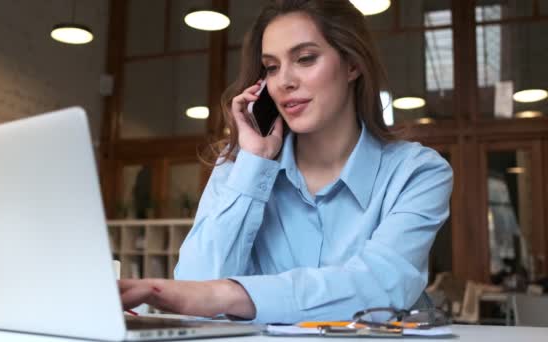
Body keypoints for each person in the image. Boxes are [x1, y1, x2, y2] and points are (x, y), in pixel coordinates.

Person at [119, 0, 453, 324]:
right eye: (271, 67)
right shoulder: (240, 168)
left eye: (305, 58)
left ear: (352, 65)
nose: (284, 82)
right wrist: (254, 163)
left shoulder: (418, 172)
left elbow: (381, 286)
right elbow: (195, 287)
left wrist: (232, 295)